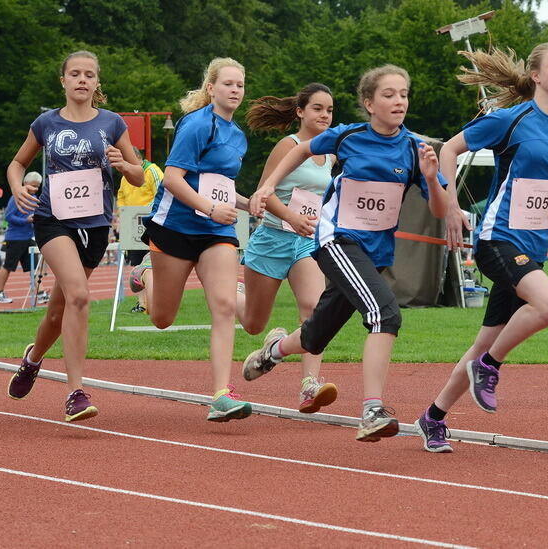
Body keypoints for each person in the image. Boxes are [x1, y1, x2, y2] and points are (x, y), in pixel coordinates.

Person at [417, 42, 548, 453]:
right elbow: (450, 149)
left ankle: (433, 417)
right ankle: (489, 368)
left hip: (533, 250)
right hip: (498, 238)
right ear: (535, 75)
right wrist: (452, 205)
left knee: (483, 343)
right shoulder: (511, 120)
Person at [245, 64, 449, 442]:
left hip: (375, 253)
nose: (399, 101)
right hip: (336, 240)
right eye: (389, 94)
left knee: (316, 334)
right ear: (369, 103)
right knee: (385, 314)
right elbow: (301, 148)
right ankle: (372, 410)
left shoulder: (414, 149)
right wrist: (269, 185)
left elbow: (439, 209)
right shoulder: (348, 136)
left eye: (404, 94)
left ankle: (273, 351)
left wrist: (431, 178)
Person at [5, 50, 143, 421]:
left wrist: (124, 164)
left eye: (89, 75)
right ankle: (76, 393)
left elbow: (138, 175)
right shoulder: (46, 123)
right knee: (79, 296)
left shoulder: (112, 123)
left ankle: (32, 359)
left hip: (95, 224)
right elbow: (17, 163)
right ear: (63, 80)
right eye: (75, 74)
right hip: (53, 220)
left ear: (97, 83)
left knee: (58, 310)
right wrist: (17, 187)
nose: (82, 80)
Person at [129, 58, 254, 422]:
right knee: (162, 318)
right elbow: (172, 178)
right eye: (228, 84)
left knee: (224, 306)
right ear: (211, 88)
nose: (235, 90)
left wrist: (251, 204)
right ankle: (146, 273)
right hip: (176, 228)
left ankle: (221, 394)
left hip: (217, 232)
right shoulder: (198, 124)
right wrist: (209, 208)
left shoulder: (238, 136)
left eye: (240, 85)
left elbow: (221, 186)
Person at [235, 83, 339, 414]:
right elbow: (261, 195)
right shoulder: (288, 146)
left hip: (306, 243)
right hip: (272, 239)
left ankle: (310, 385)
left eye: (329, 110)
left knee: (315, 309)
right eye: (318, 108)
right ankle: (233, 293)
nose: (325, 115)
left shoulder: (330, 154)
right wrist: (292, 217)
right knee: (253, 323)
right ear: (300, 112)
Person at [117, 147, 162, 312]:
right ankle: (142, 304)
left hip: (150, 223)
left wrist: (144, 211)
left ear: (137, 158)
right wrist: (123, 214)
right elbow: (121, 197)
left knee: (152, 262)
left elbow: (162, 193)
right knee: (136, 264)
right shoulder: (125, 177)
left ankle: (156, 300)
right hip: (132, 223)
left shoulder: (153, 171)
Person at [0, 172, 42, 303]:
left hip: (29, 238)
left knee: (34, 267)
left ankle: (40, 292)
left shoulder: (34, 198)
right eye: (33, 185)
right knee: (8, 266)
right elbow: (8, 216)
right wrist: (26, 220)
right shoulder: (17, 196)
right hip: (15, 238)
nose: (36, 189)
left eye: (38, 186)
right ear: (25, 183)